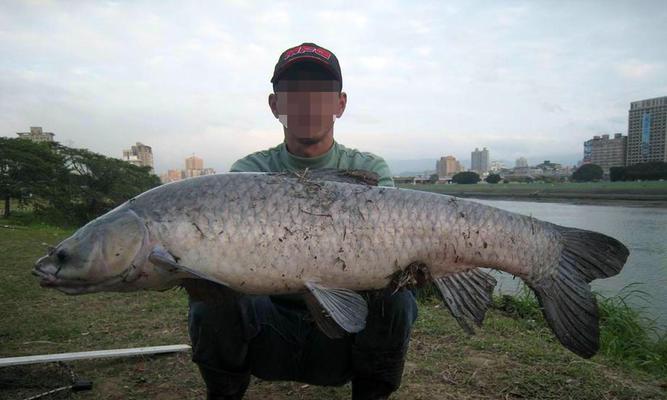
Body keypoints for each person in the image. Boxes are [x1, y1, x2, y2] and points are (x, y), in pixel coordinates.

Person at [187, 42, 418, 400]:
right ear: (275, 105)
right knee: (211, 298)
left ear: (339, 104)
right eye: (293, 93)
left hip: (344, 327)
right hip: (268, 323)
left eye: (321, 92)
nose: (308, 103)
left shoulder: (371, 171)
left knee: (398, 299)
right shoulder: (248, 174)